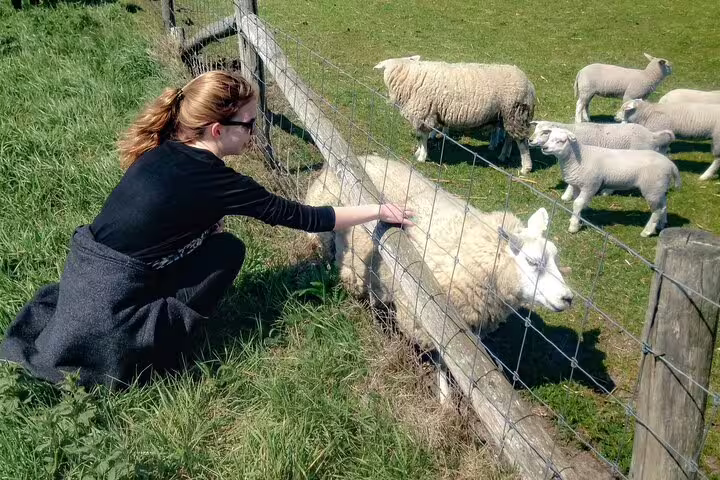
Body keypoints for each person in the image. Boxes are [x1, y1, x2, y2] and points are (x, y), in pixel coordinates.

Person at [0, 70, 413, 389]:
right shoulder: (218, 182)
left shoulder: (167, 149)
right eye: (249, 124)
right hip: (109, 308)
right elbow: (307, 218)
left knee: (214, 236)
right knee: (228, 249)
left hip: (85, 279)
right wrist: (378, 208)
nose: (254, 133)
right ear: (218, 130)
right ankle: (163, 347)